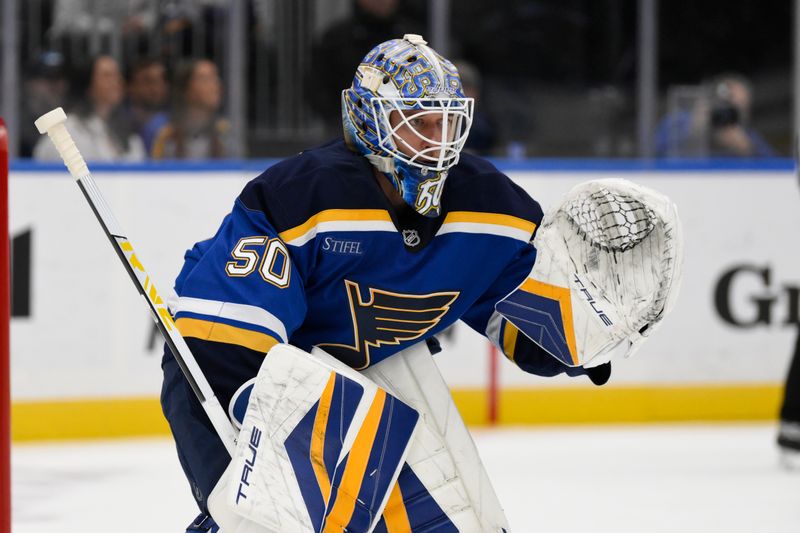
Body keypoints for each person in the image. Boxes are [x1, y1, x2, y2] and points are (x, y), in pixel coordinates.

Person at [162, 35, 612, 531]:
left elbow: (529, 325)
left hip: (370, 385)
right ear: (369, 120)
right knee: (263, 521)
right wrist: (258, 474)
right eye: (419, 122)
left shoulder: (492, 208)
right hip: (235, 377)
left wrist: (589, 335)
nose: (438, 140)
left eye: (447, 121)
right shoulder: (301, 198)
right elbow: (223, 346)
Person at [33, 54, 146, 162]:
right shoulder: (67, 131)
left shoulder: (129, 132)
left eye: (118, 75)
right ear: (88, 82)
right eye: (107, 75)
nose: (117, 81)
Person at [654, 73, 776, 158]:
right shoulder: (678, 123)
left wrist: (748, 150)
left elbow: (776, 168)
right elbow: (653, 155)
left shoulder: (747, 135)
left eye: (734, 111)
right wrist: (692, 132)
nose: (725, 115)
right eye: (724, 105)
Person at [150, 58, 232, 159]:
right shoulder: (165, 133)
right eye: (205, 79)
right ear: (185, 88)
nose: (216, 85)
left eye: (216, 78)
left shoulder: (225, 131)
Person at [124, 57, 170, 155]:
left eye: (161, 81)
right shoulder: (118, 123)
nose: (156, 88)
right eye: (148, 81)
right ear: (130, 86)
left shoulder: (171, 123)